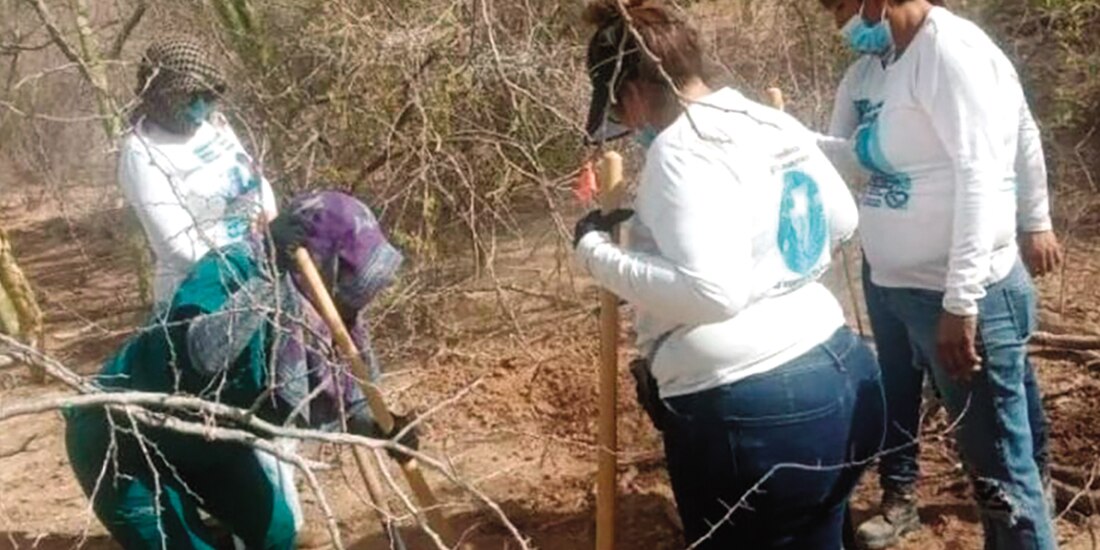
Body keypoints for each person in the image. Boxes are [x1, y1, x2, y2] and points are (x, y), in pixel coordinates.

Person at [574, 1, 884, 547]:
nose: (631, 123)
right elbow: (840, 219)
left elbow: (712, 293)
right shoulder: (764, 119)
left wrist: (597, 252)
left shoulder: (679, 150)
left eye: (623, 108)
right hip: (844, 374)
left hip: (759, 411)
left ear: (634, 93)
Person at [818, 1, 1064, 547]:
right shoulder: (893, 60)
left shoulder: (950, 53)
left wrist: (961, 300)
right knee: (999, 455)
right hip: (902, 284)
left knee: (1001, 470)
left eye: (839, 6)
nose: (839, 23)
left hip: (952, 294)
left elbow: (982, 175)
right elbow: (855, 156)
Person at [64, 191, 414, 549]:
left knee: (275, 533)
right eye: (348, 278)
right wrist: (268, 275)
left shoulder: (322, 310)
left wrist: (382, 428)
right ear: (322, 261)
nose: (351, 300)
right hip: (121, 436)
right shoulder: (234, 268)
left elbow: (341, 398)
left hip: (212, 439)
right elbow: (204, 354)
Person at [119, 37, 279, 309]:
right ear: (162, 95)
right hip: (202, 298)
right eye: (189, 98)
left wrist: (272, 222)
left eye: (207, 96)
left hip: (261, 275)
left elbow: (252, 175)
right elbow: (180, 249)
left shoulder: (214, 124)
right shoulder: (142, 153)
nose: (200, 108)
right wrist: (251, 255)